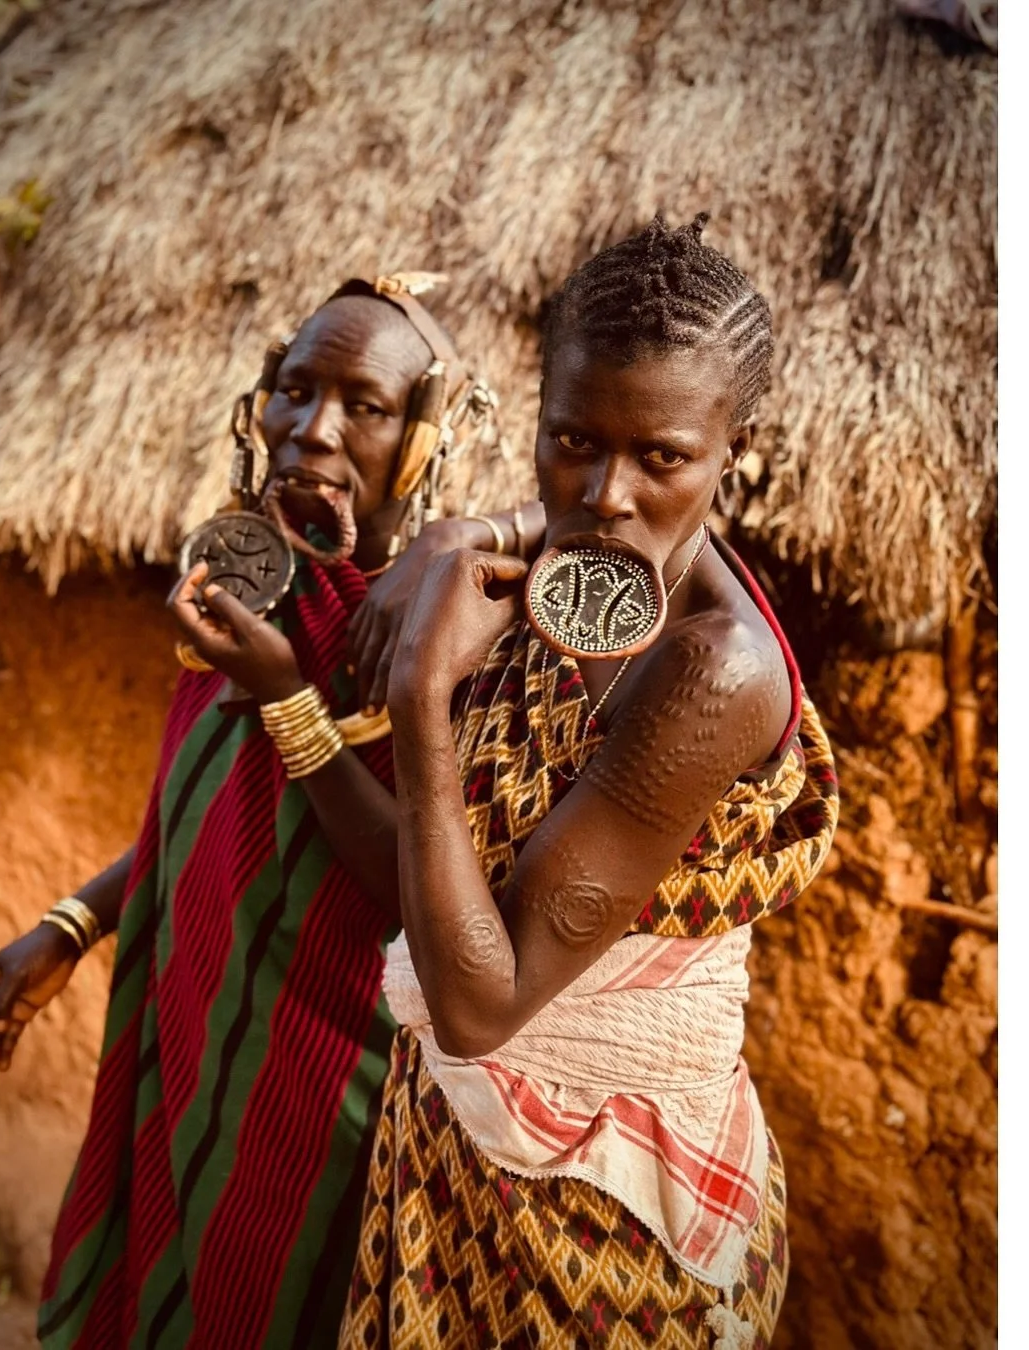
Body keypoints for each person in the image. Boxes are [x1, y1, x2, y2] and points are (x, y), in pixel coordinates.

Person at [0, 271, 543, 1348]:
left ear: (422, 439)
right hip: (189, 1028)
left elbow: (413, 893)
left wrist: (294, 691)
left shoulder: (456, 625)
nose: (311, 431)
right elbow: (211, 803)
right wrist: (71, 927)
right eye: (294, 390)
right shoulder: (245, 583)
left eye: (363, 406)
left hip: (320, 1086)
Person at [337, 217, 840, 1349]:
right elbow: (432, 892)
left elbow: (476, 1009)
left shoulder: (715, 675)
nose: (606, 494)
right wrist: (480, 523)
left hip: (598, 1240)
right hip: (451, 1177)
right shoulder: (568, 564)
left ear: (735, 448)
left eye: (662, 457)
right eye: (572, 440)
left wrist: (422, 694)